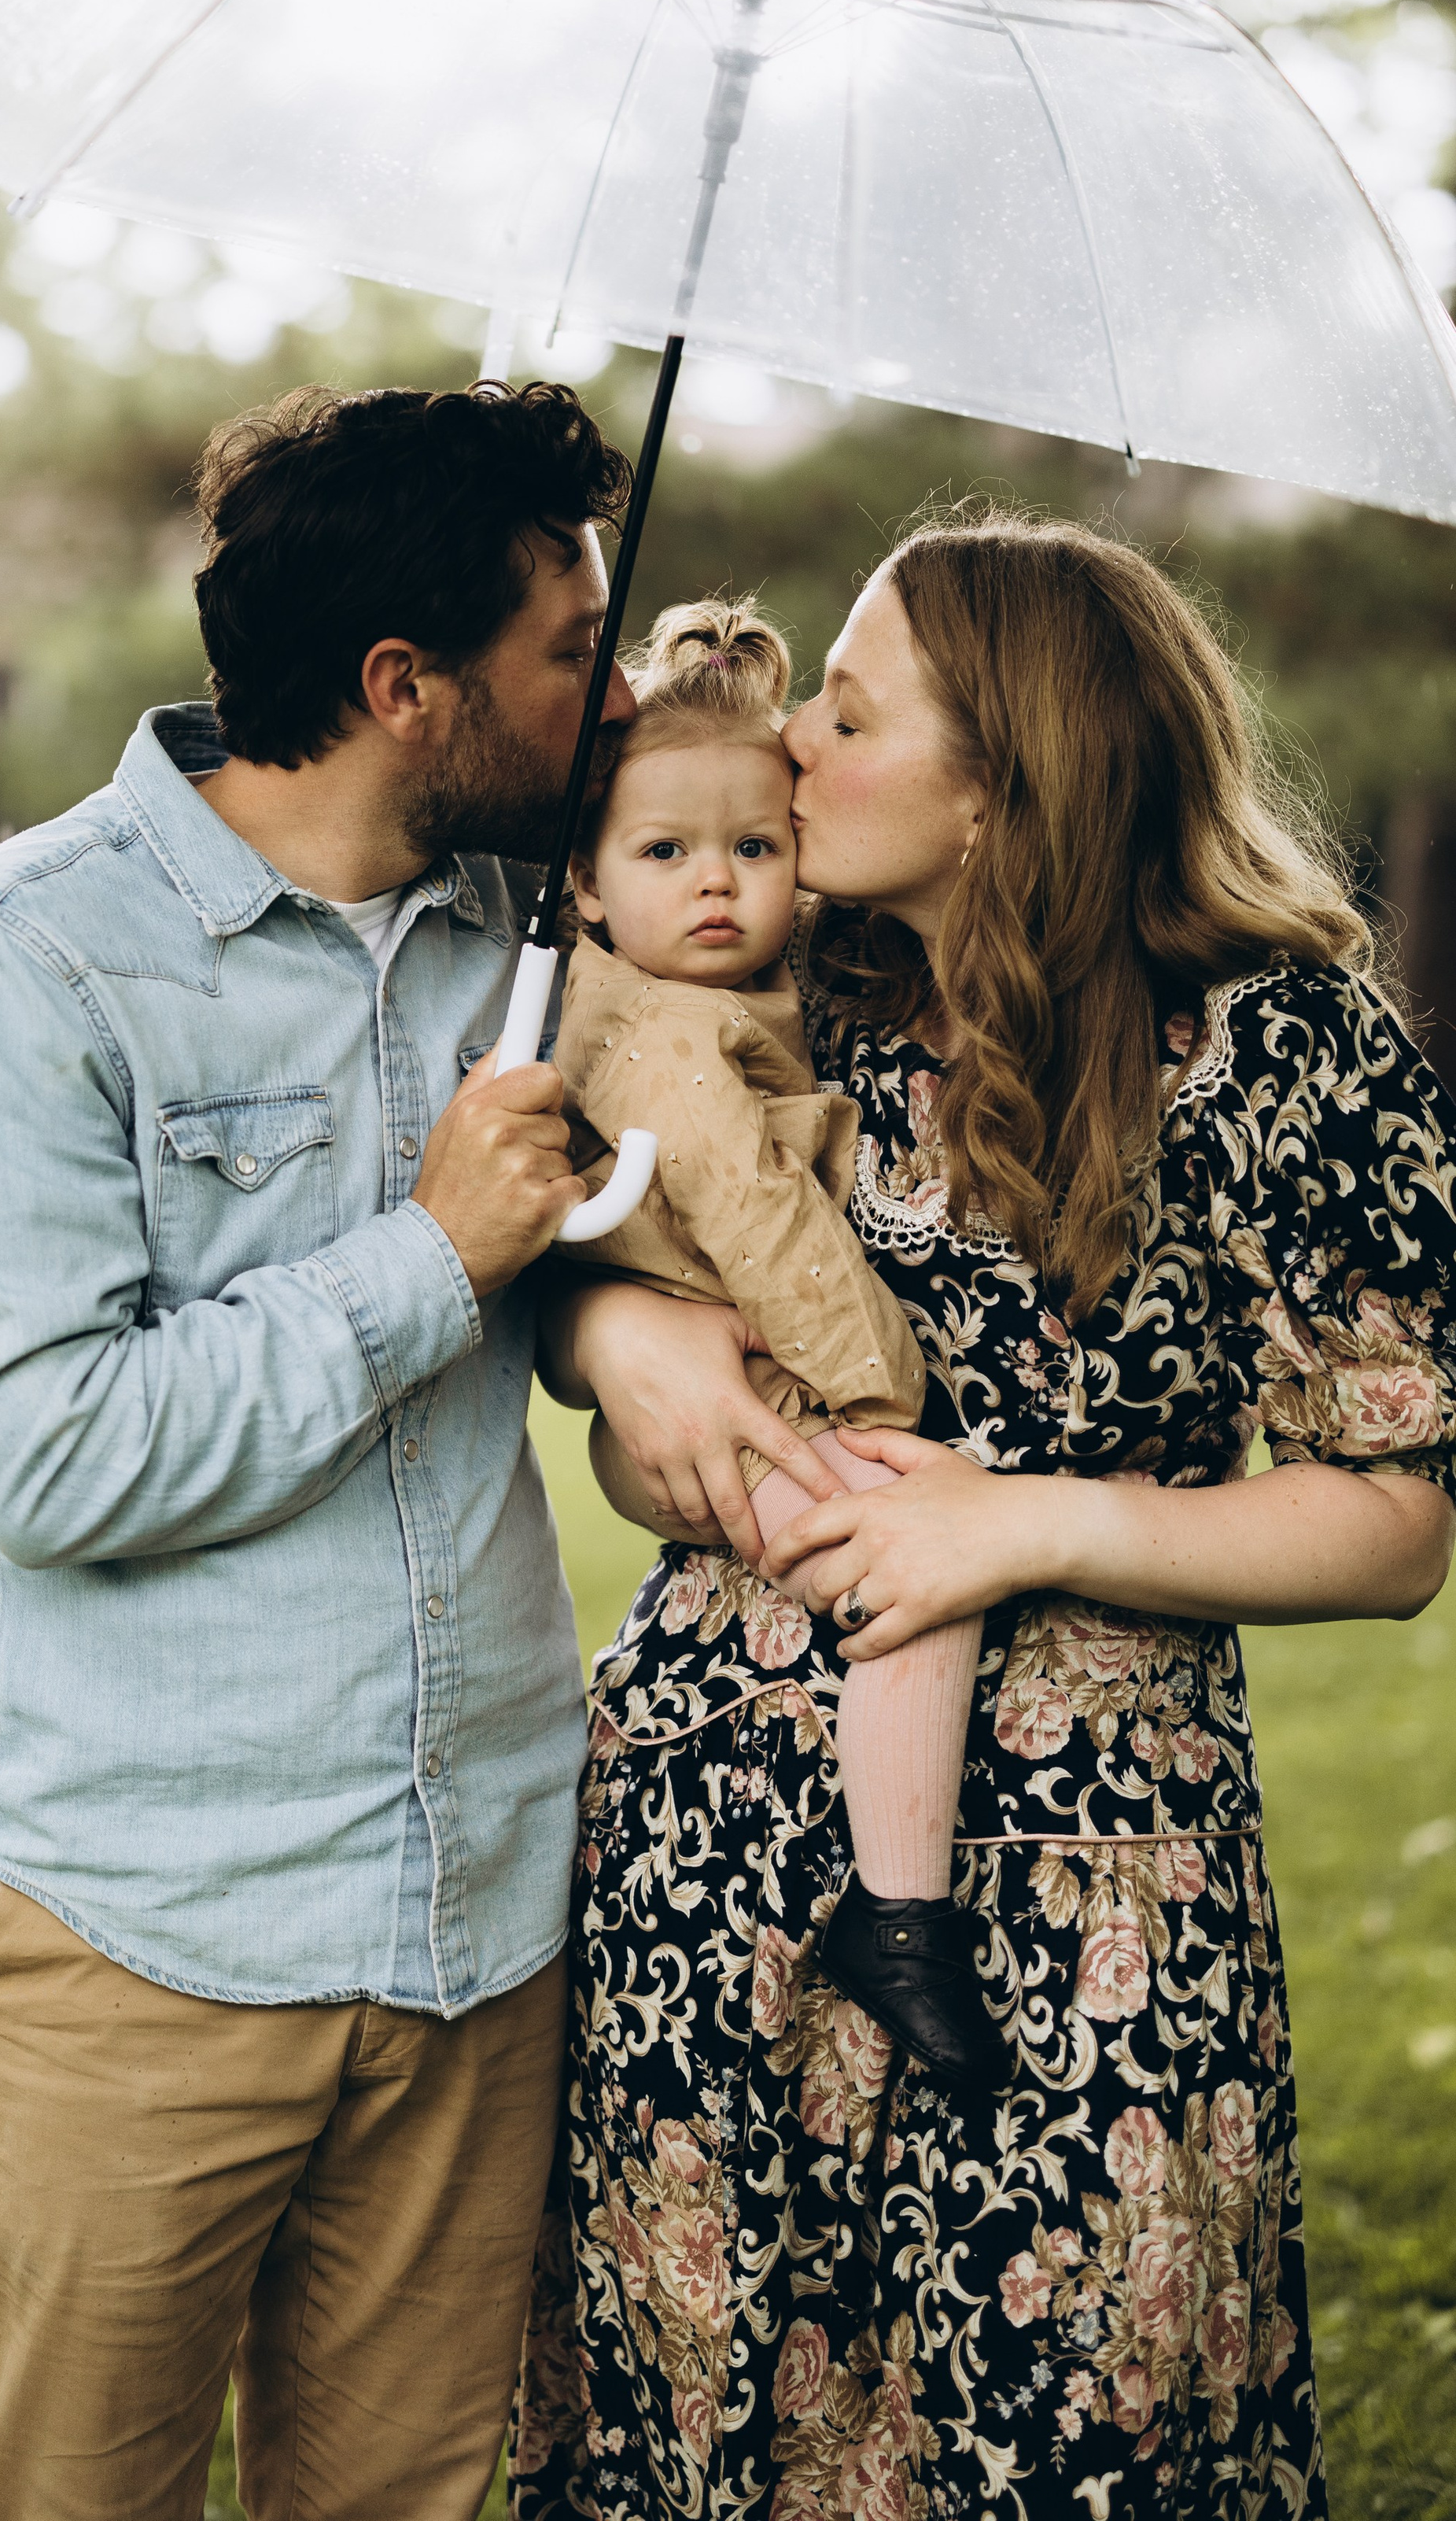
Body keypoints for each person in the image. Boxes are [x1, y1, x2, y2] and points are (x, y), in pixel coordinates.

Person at [515, 511, 1456, 2521]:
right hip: (710, 1853)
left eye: (845, 719)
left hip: (1082, 1899)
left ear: (996, 780)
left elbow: (1391, 1520)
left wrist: (1022, 1523)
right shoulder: (799, 986)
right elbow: (638, 1356)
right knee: (704, 2441)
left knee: (1057, 2442)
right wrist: (614, 1342)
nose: (787, 764)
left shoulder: (1276, 1044)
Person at [0, 378, 705, 2521]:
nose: (612, 700)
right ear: (403, 688)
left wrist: (617, 1322)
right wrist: (433, 1254)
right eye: (567, 650)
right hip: (146, 1940)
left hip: (480, 1930)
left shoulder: (526, 952)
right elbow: (48, 1459)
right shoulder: (23, 969)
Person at [554, 595, 1003, 2090]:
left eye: (758, 848)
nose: (721, 886)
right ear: (586, 884)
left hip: (734, 1401)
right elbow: (767, 1229)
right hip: (773, 1388)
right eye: (667, 854)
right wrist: (886, 1387)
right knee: (911, 1572)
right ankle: (904, 1904)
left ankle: (894, 1897)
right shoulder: (675, 1040)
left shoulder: (748, 993)